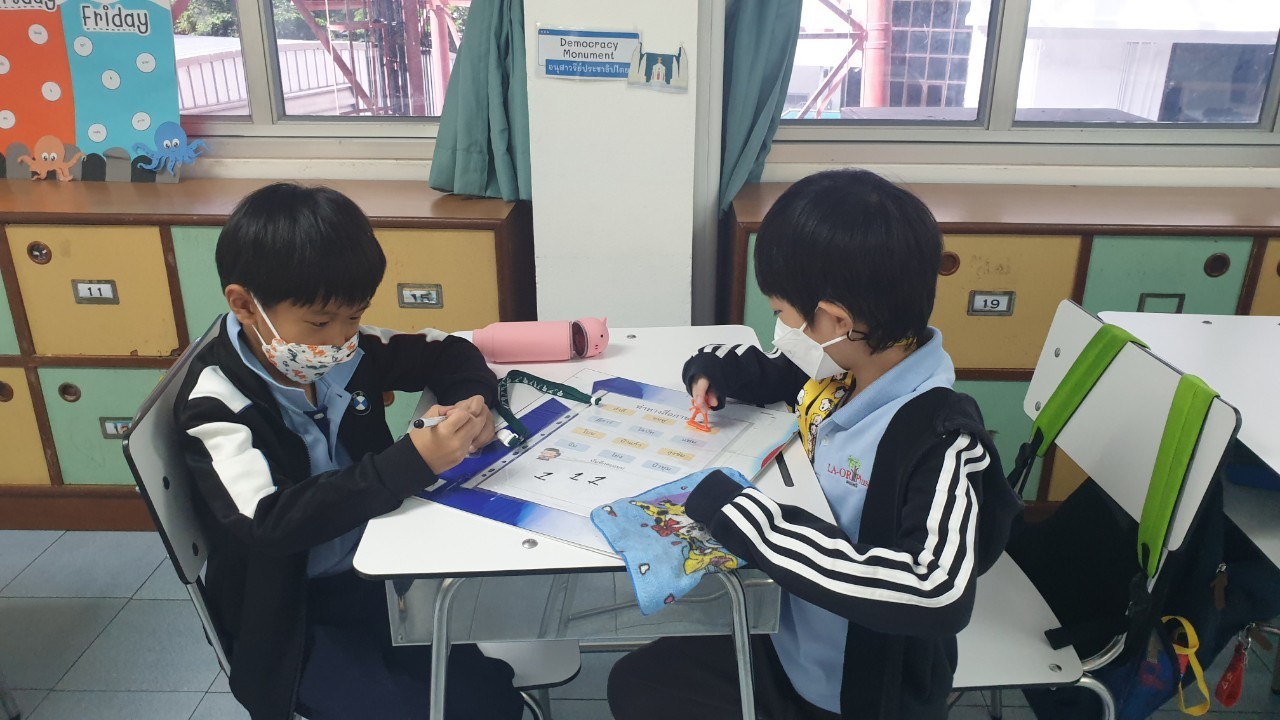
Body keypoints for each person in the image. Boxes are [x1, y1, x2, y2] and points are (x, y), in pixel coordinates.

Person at [608, 169, 1022, 719]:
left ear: (836, 320)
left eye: (781, 315)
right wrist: (714, 372)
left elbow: (935, 591)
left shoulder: (940, 437)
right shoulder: (853, 362)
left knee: (643, 691)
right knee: (638, 682)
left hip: (851, 689)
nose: (779, 330)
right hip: (790, 628)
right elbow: (779, 371)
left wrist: (758, 526)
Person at [174, 182, 524, 720]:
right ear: (244, 305)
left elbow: (450, 351)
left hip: (377, 574)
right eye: (321, 322)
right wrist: (410, 462)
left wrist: (470, 402)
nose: (341, 339)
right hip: (293, 617)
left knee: (490, 699)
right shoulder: (216, 402)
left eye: (355, 317)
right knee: (417, 711)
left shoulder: (342, 352)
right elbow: (268, 523)